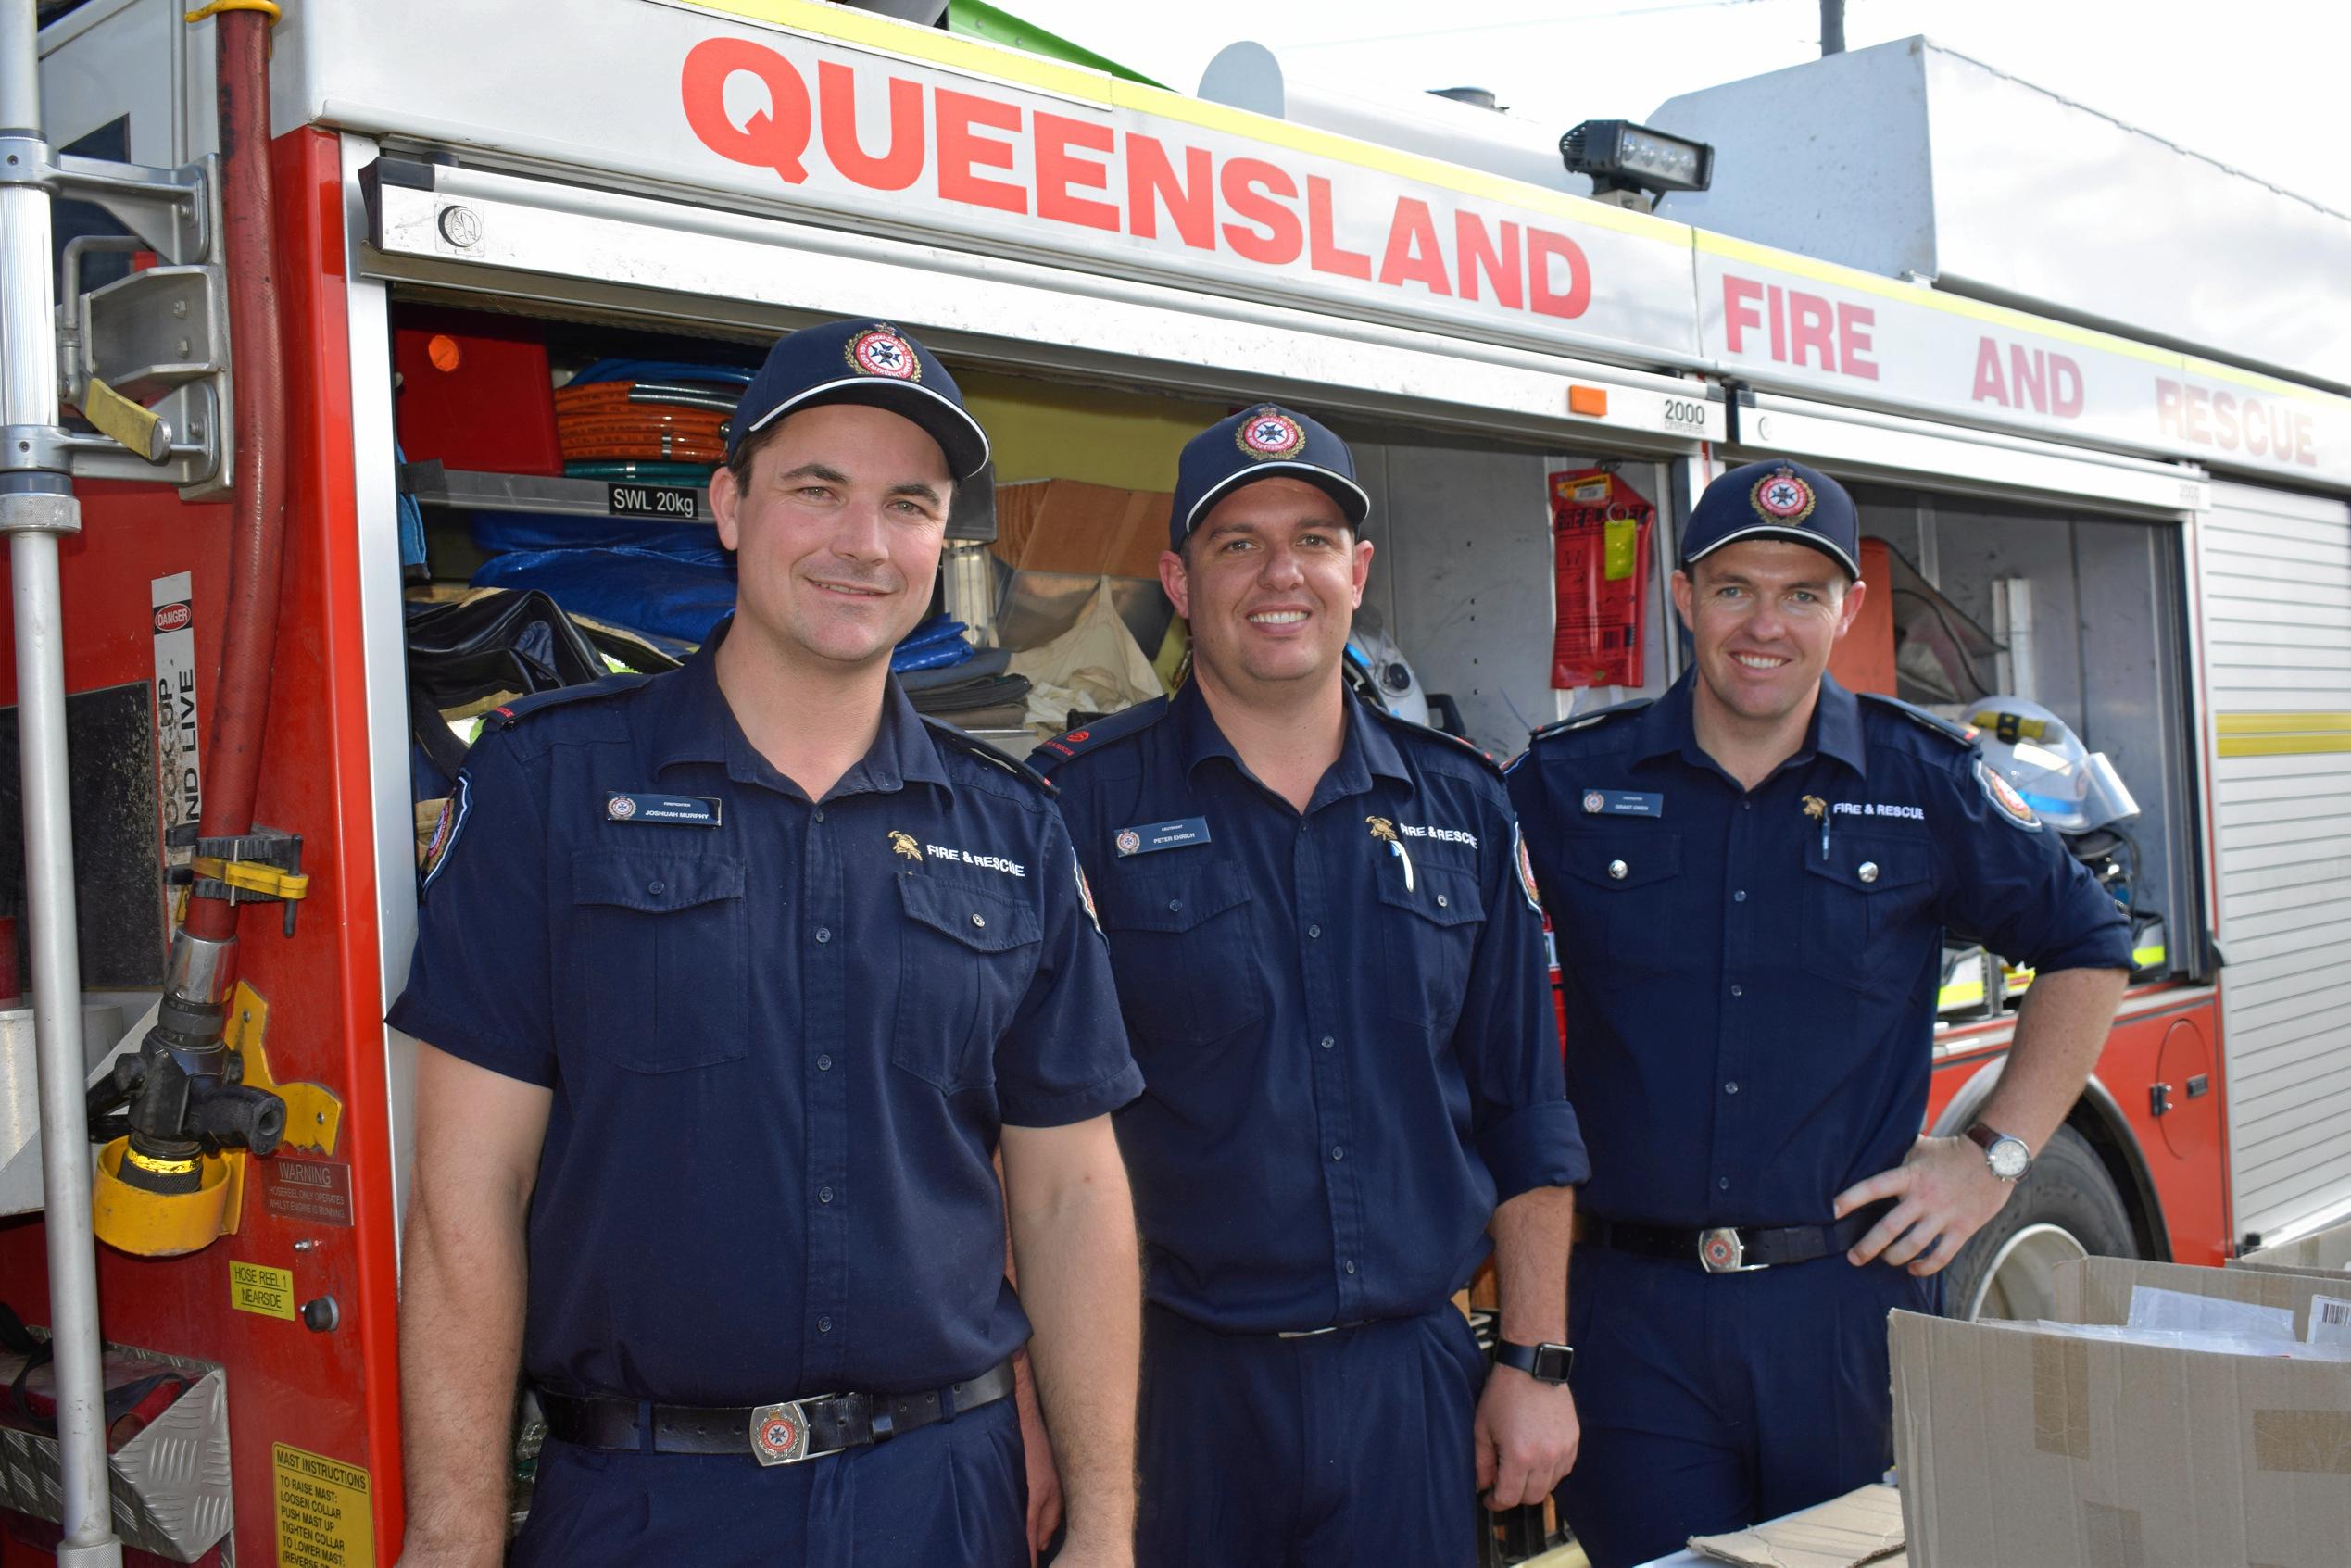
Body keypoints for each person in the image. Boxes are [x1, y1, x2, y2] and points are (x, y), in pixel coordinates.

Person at [391, 320, 1144, 1568]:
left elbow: (1072, 1196)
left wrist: (1107, 1524)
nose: (862, 541)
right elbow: (468, 1190)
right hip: (647, 1507)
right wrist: (454, 1527)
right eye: (817, 490)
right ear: (730, 504)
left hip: (943, 1502)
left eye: (907, 504)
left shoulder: (1015, 829)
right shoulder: (549, 785)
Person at [1508, 458, 2131, 1568]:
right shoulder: (1563, 784)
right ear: (1685, 598)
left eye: (1803, 593)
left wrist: (1995, 1154)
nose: (1767, 623)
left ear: (1847, 609)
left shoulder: (1923, 778)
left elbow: (2088, 942)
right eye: (1737, 586)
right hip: (1631, 1320)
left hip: (1849, 1314)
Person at [1031, 404, 1589, 1568]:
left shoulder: (1465, 807)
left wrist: (1534, 1363)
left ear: (1358, 571)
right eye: (1237, 542)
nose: (1280, 572)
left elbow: (1526, 1110)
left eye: (1314, 538)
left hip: (1412, 1391)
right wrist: (1038, 1412)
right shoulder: (1077, 806)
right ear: (1178, 582)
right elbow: (1018, 1136)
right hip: (1165, 1394)